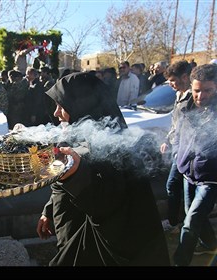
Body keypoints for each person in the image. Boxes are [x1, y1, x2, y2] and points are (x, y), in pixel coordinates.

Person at [36, 72, 170, 266]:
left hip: (99, 244)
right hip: (71, 227)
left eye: (61, 105)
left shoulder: (115, 151)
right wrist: (48, 211)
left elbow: (109, 204)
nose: (56, 113)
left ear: (80, 105)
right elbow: (61, 185)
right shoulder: (74, 136)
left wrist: (76, 175)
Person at [173, 63, 217, 266]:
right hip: (187, 174)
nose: (201, 96)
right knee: (192, 213)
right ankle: (209, 243)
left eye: (207, 90)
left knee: (190, 224)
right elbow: (177, 135)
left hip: (210, 179)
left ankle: (179, 262)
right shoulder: (184, 107)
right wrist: (177, 155)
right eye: (197, 91)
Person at [159, 60, 192, 233]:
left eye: (173, 80)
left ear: (185, 77)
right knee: (175, 186)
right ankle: (176, 223)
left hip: (187, 152)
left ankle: (176, 224)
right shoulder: (179, 95)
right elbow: (175, 124)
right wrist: (166, 140)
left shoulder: (194, 97)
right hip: (177, 149)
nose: (171, 84)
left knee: (174, 186)